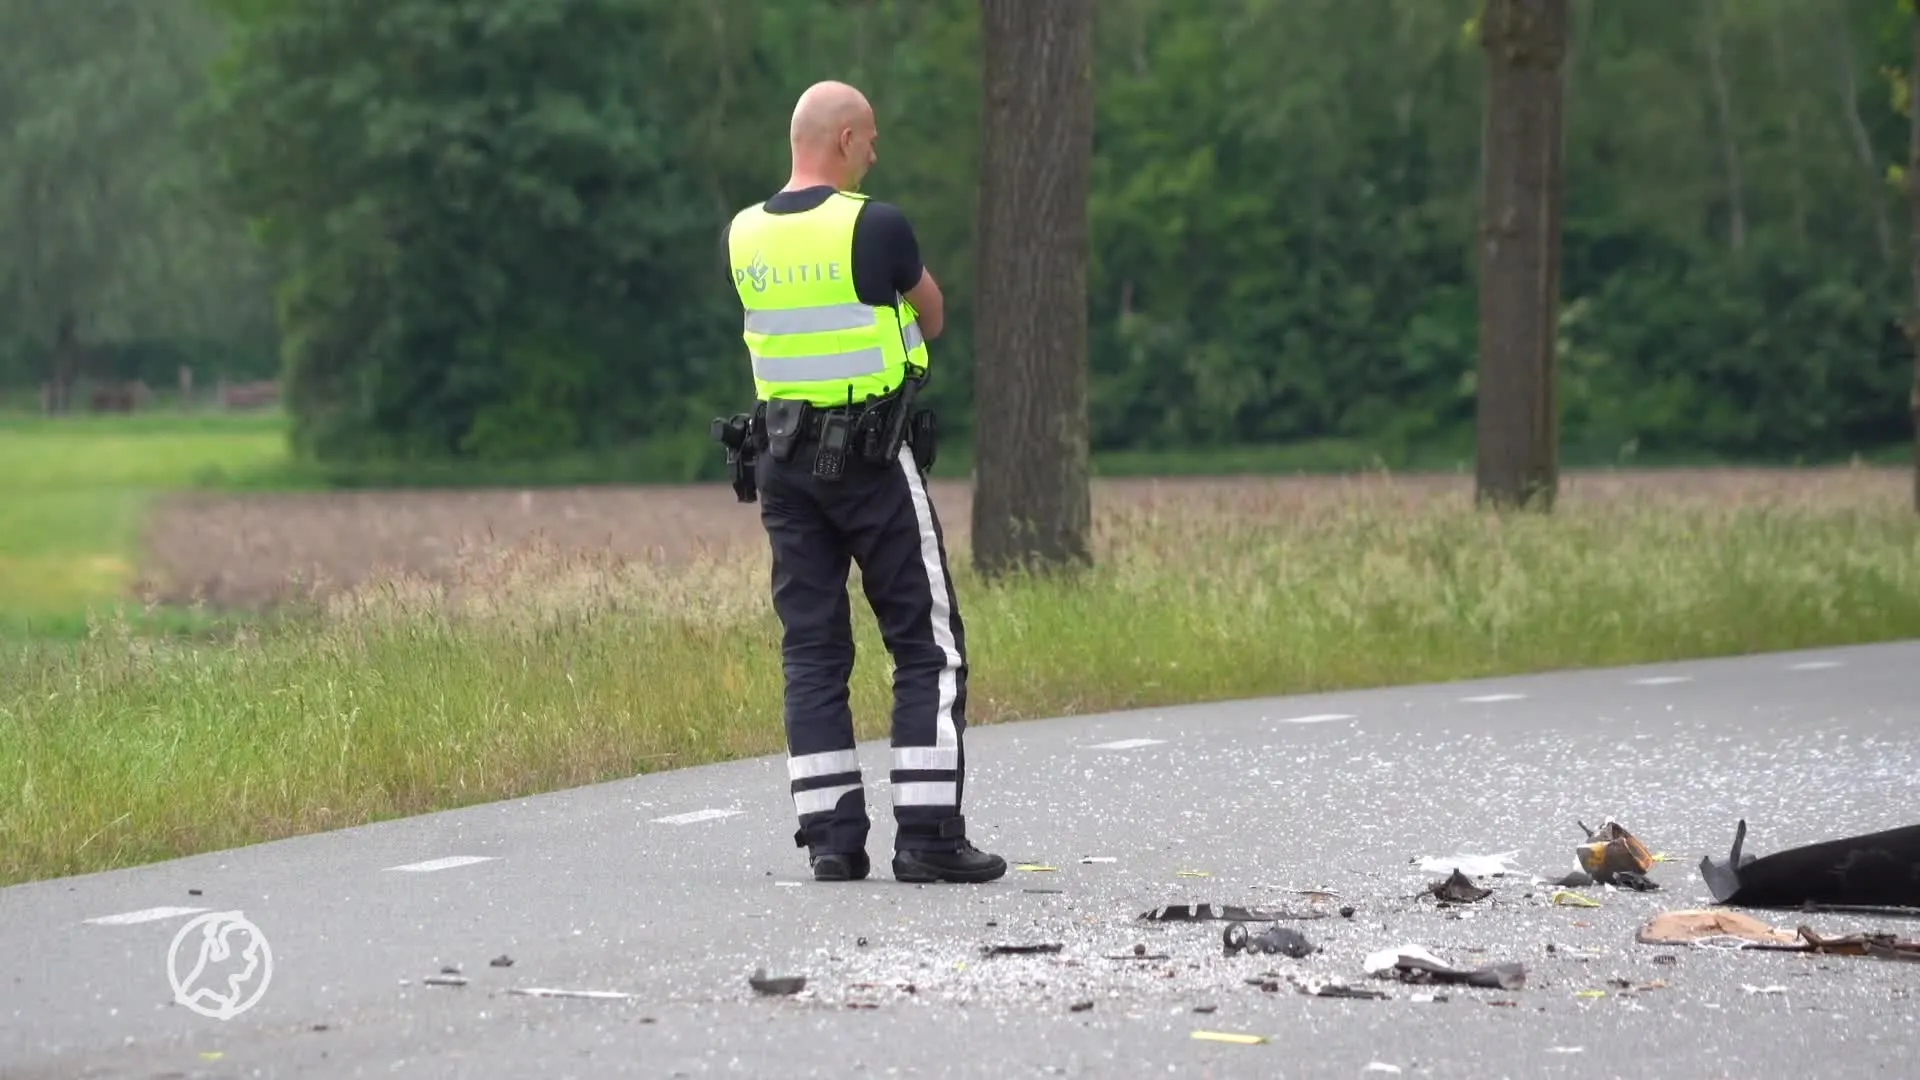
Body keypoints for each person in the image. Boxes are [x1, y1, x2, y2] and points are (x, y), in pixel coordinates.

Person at [718, 80, 1006, 885]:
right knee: (927, 644)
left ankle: (832, 842)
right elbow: (934, 315)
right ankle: (929, 837)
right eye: (871, 138)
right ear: (844, 138)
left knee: (811, 651)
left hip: (782, 463)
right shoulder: (874, 224)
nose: (876, 152)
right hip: (872, 460)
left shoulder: (742, 234)